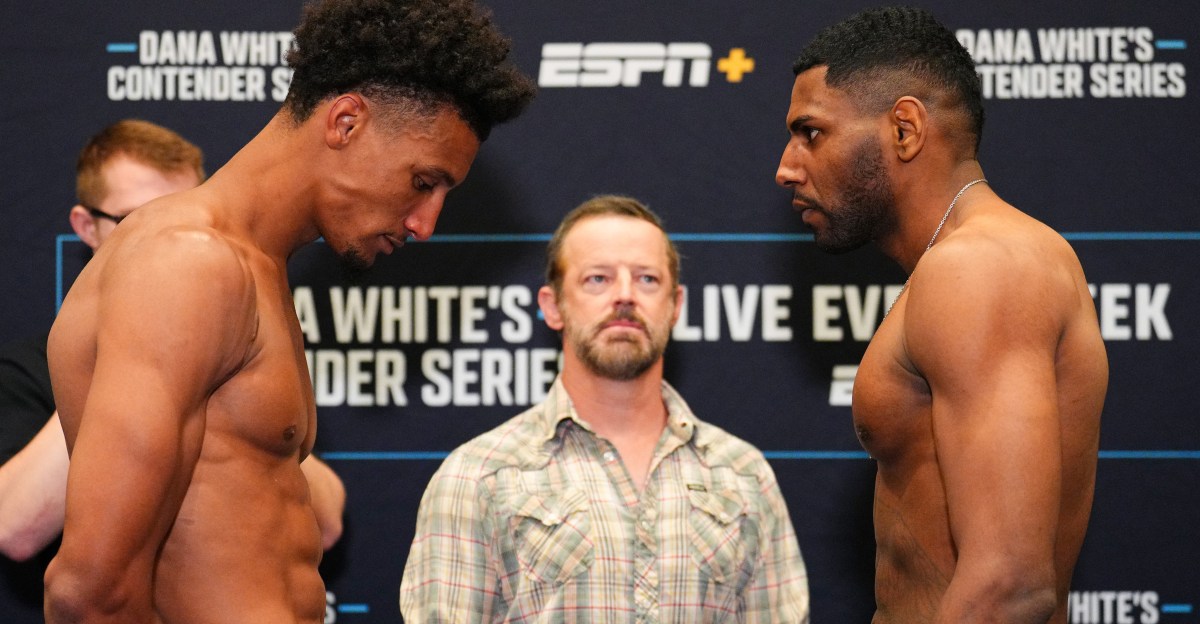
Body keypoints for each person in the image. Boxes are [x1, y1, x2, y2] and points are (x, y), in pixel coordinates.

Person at [43, 0, 535, 620]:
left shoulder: (254, 269)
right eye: (421, 182)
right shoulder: (188, 263)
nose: (425, 224)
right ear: (346, 122)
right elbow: (88, 591)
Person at [775, 7, 1108, 624]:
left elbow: (1009, 586)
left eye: (811, 133)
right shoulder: (965, 263)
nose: (787, 167)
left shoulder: (978, 266)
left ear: (905, 129)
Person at [401, 195, 810, 623]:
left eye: (647, 279)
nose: (625, 296)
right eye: (598, 279)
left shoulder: (743, 474)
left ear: (675, 306)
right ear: (553, 306)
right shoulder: (477, 476)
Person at [0, 120, 347, 567]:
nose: (164, 238)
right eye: (135, 219)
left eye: (180, 213)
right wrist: (134, 358)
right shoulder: (30, 370)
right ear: (86, 227)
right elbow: (15, 528)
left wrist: (225, 382)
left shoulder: (242, 352)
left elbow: (327, 521)